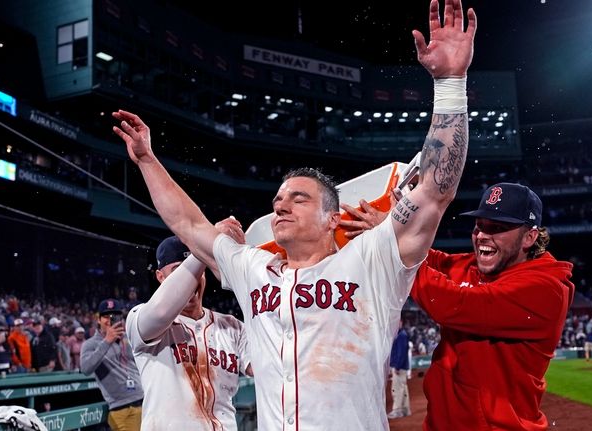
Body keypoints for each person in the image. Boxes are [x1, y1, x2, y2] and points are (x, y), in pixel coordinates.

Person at [111, 1, 476, 428]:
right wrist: (147, 161)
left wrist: (451, 82)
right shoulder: (253, 270)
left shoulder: (372, 260)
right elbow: (188, 225)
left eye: (299, 198)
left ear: (332, 217)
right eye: (279, 199)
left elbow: (434, 191)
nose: (280, 205)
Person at [341, 182, 575, 430]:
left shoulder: (545, 289)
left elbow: (451, 303)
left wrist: (388, 241)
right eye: (479, 226)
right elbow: (431, 259)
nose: (483, 235)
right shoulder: (475, 266)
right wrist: (395, 227)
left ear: (529, 237)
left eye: (497, 228)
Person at [125, 235, 252, 430]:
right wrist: (203, 249)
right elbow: (160, 312)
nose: (192, 279)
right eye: (178, 270)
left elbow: (266, 368)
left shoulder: (232, 326)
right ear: (160, 276)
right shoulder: (139, 318)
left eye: (198, 270)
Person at [80, 299, 143, 431]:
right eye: (106, 316)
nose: (110, 320)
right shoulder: (90, 344)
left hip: (145, 401)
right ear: (98, 319)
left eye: (115, 316)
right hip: (123, 408)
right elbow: (85, 368)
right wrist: (107, 341)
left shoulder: (128, 338)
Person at [387, 319, 411, 419]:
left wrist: (397, 365)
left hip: (399, 367)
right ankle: (405, 409)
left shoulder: (401, 335)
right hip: (402, 366)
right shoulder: (402, 334)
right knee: (402, 387)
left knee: (397, 389)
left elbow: (400, 352)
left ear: (401, 323)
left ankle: (397, 410)